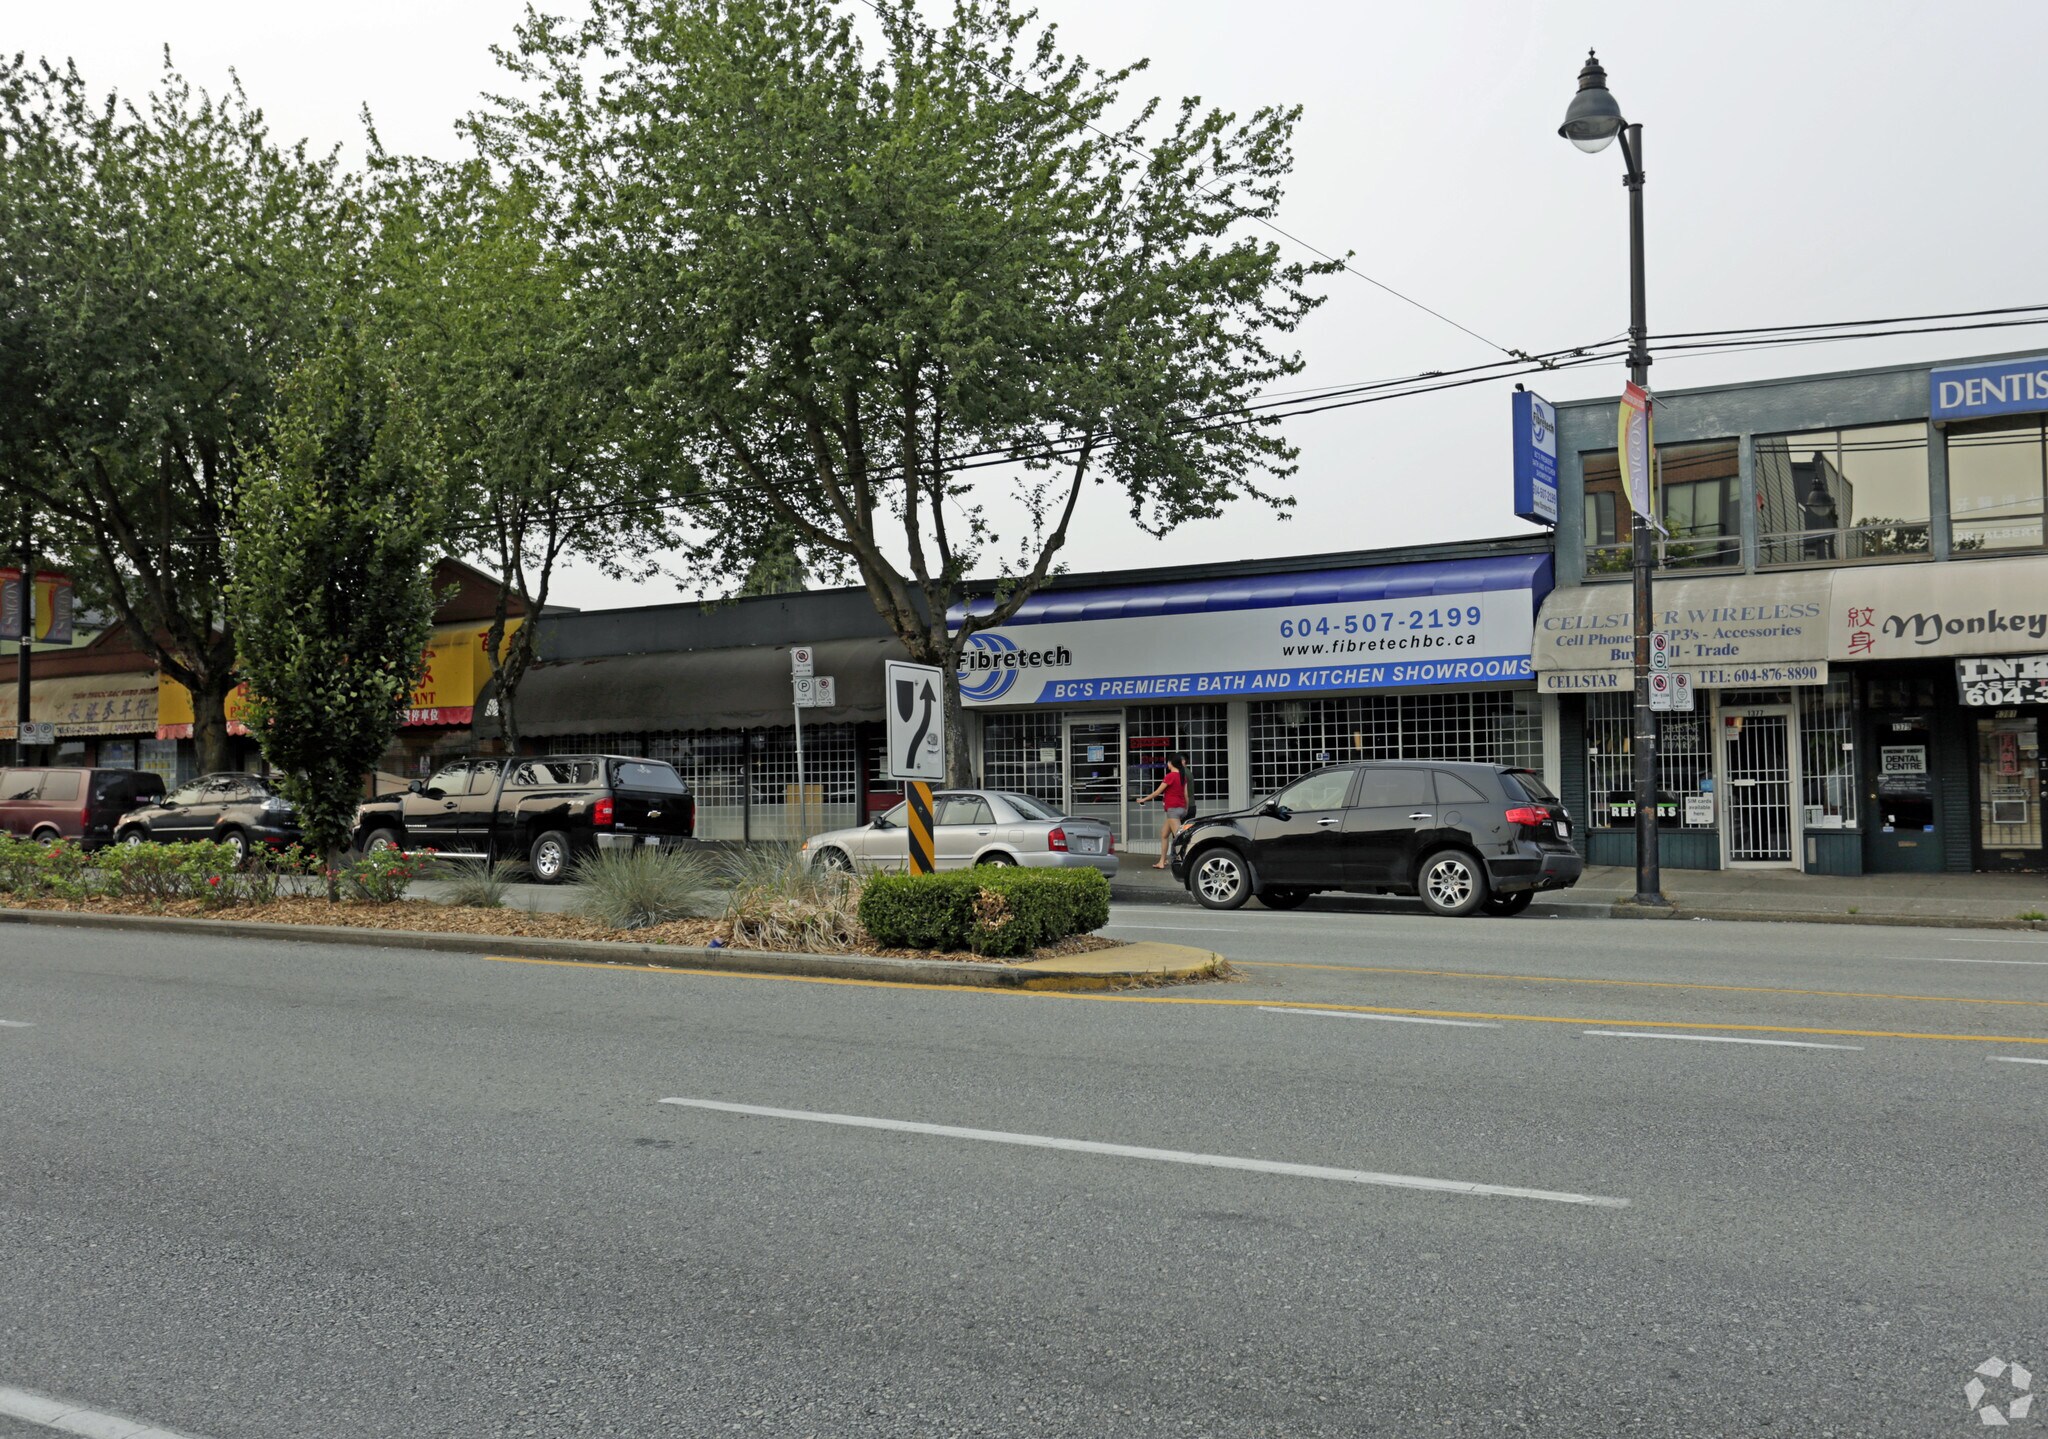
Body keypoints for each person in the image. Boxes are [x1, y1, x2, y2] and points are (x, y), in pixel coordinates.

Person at [1140, 754, 1190, 869]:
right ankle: (1162, 861)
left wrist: (1143, 799)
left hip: (1173, 810)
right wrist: (1186, 809)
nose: (1167, 764)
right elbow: (1186, 795)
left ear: (1171, 763)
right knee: (1164, 834)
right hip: (1180, 809)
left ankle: (1188, 863)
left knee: (1180, 838)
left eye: (1168, 762)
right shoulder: (1183, 777)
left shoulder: (1170, 776)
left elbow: (1157, 793)